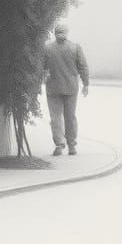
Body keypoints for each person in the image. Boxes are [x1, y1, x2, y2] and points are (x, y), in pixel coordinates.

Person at [43, 22, 90, 157]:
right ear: (66, 33)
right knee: (70, 116)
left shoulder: (47, 48)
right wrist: (86, 84)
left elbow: (42, 67)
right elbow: (83, 67)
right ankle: (71, 145)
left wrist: (44, 77)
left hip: (53, 88)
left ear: (55, 33)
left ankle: (59, 144)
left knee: (55, 117)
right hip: (71, 87)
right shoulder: (75, 48)